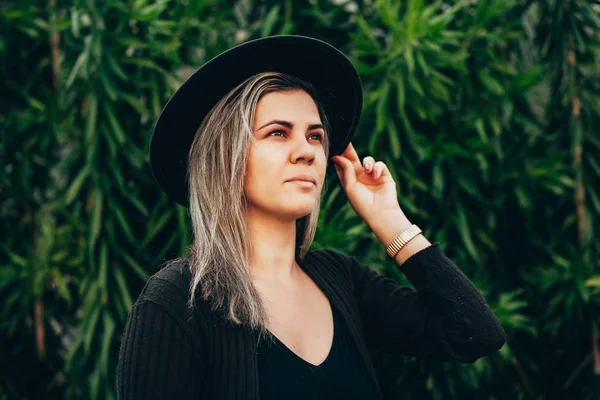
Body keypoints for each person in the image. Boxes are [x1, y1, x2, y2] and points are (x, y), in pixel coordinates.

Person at [117, 35, 506, 400]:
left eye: (315, 136)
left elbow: (473, 334)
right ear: (226, 158)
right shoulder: (177, 300)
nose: (306, 151)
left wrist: (389, 219)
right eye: (278, 133)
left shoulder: (340, 280)